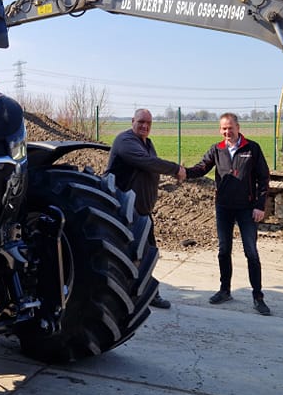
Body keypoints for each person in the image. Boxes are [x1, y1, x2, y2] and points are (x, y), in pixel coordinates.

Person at [186, 112, 272, 316]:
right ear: (220, 130)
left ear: (238, 127)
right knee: (224, 251)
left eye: (230, 128)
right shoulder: (217, 149)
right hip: (223, 207)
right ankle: (225, 290)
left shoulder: (252, 148)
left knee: (251, 252)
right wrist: (182, 172)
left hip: (247, 208)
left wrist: (260, 206)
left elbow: (264, 178)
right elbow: (201, 168)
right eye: (224, 128)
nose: (227, 132)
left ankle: (258, 297)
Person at [106, 108, 186, 309]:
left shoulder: (147, 143)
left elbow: (149, 167)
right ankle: (144, 295)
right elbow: (147, 162)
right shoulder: (125, 141)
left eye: (149, 123)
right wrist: (175, 169)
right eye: (141, 121)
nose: (145, 126)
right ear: (133, 120)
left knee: (146, 254)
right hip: (123, 212)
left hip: (141, 212)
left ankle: (144, 293)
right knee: (137, 254)